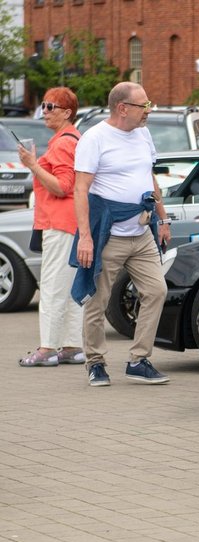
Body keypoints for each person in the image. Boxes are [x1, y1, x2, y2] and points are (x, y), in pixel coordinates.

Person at [72, 81, 172, 387]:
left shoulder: (143, 134)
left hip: (141, 231)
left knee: (157, 291)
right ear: (122, 108)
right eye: (144, 105)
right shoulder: (95, 138)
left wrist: (163, 217)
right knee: (97, 302)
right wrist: (86, 237)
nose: (149, 110)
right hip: (109, 234)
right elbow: (81, 188)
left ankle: (139, 360)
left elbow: (149, 177)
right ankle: (95, 362)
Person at [17, 87, 85, 368]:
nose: (44, 111)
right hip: (71, 223)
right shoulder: (72, 139)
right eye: (43, 105)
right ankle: (72, 346)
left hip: (59, 222)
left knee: (52, 287)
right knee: (70, 288)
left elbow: (62, 186)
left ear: (67, 112)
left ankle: (47, 349)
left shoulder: (63, 143)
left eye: (50, 107)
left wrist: (33, 165)